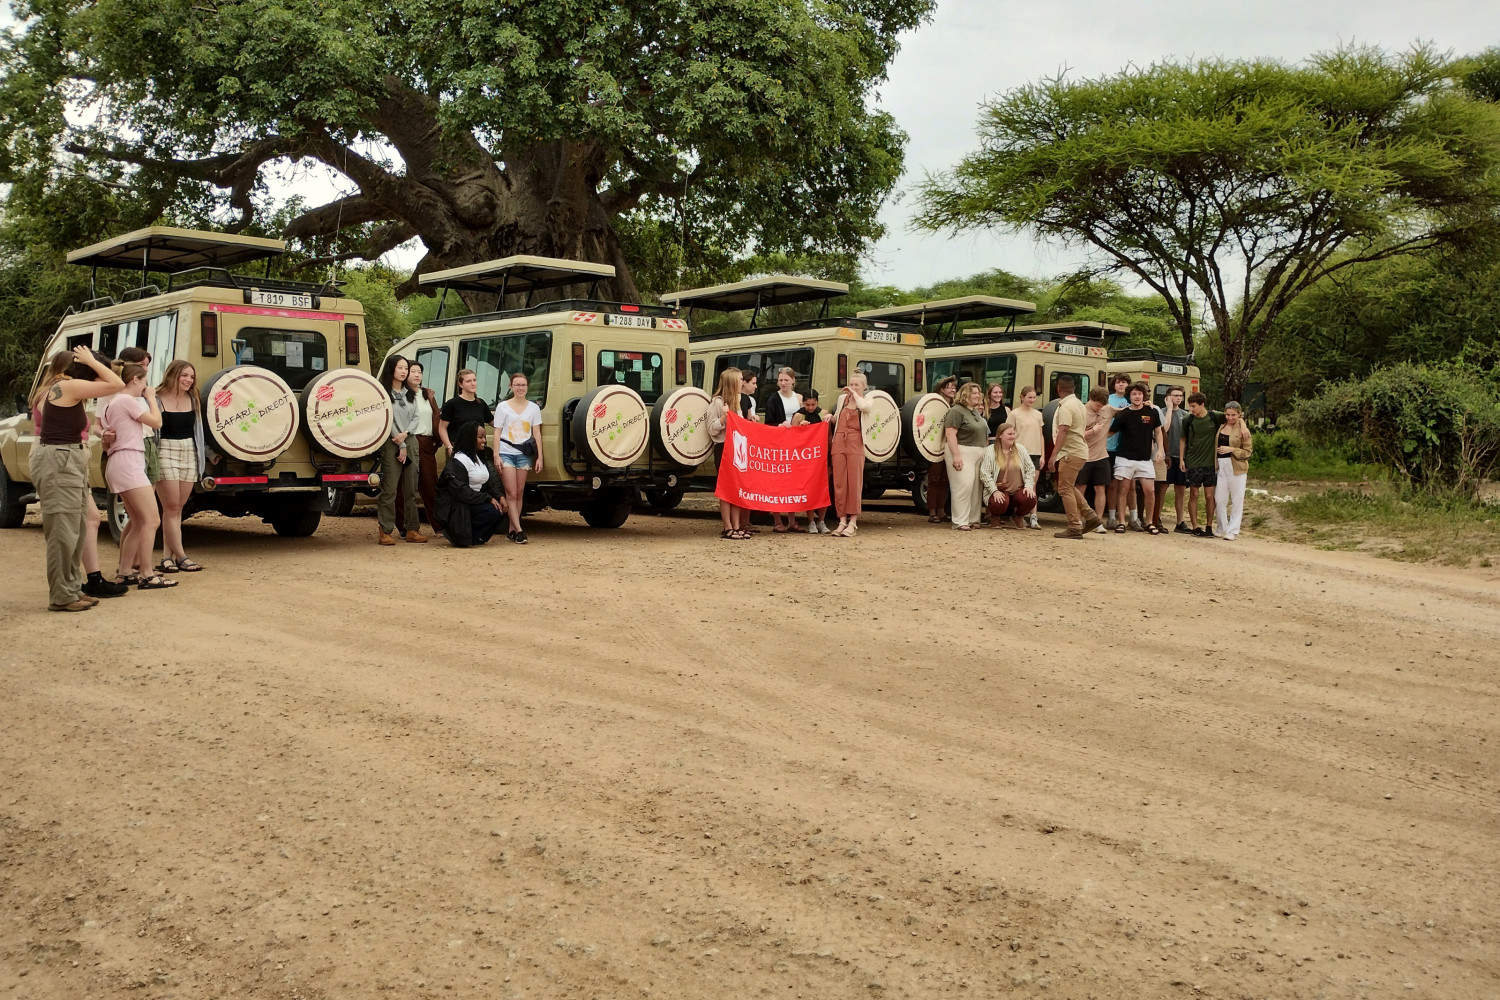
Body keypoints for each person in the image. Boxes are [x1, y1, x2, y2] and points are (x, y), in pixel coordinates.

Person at [30, 346, 124, 610]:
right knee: (63, 530)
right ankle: (61, 595)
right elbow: (115, 382)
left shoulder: (61, 387)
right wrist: (94, 362)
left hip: (66, 458)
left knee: (76, 528)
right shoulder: (67, 387)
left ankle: (71, 588)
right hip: (60, 459)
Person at [101, 361, 176, 589]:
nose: (146, 386)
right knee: (151, 520)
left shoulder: (112, 402)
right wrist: (151, 398)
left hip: (119, 461)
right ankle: (146, 573)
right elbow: (156, 422)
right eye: (145, 381)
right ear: (136, 379)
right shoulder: (126, 400)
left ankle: (125, 571)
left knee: (137, 521)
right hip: (129, 461)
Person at [153, 360, 205, 573]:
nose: (188, 380)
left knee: (176, 510)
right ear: (172, 375)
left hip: (189, 452)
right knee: (171, 507)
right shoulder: (156, 399)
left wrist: (207, 454)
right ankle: (182, 556)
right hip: (165, 451)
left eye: (191, 377)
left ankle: (167, 557)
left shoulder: (193, 399)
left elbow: (198, 431)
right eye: (184, 375)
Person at [376, 354, 426, 545]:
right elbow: (387, 419)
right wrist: (400, 442)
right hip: (391, 442)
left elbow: (416, 417)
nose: (404, 371)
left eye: (406, 368)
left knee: (411, 487)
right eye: (400, 368)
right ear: (392, 369)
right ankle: (385, 530)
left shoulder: (411, 393)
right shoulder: (382, 393)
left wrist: (406, 435)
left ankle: (412, 529)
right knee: (390, 488)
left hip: (409, 440)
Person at [1046, 375, 1103, 540]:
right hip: (1080, 451)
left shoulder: (1065, 406)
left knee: (1064, 489)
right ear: (1074, 388)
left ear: (1058, 388)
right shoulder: (1078, 404)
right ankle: (1090, 516)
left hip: (1070, 452)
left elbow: (1063, 430)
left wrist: (1054, 454)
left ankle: (1074, 525)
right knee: (1069, 486)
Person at [434, 420, 507, 547]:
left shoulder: (478, 457)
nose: (484, 440)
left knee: (501, 510)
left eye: (484, 437)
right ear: (470, 438)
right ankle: (461, 535)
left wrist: (500, 496)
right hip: (458, 506)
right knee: (492, 511)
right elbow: (460, 491)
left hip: (473, 501)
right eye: (480, 437)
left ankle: (475, 537)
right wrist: (488, 498)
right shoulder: (458, 461)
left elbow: (488, 483)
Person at [1108, 381, 1166, 534]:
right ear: (1129, 396)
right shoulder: (1124, 413)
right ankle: (1121, 522)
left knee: (1150, 491)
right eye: (1134, 394)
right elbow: (1111, 432)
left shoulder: (1152, 411)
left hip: (1145, 459)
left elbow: (1158, 432)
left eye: (1139, 394)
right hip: (1125, 457)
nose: (1137, 396)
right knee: (1124, 490)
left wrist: (1160, 450)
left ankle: (1149, 522)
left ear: (1144, 395)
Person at [494, 371, 543, 544]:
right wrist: (496, 455)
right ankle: (520, 530)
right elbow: (497, 432)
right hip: (506, 452)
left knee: (520, 492)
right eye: (517, 385)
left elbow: (536, 433)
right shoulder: (503, 407)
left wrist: (540, 457)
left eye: (523, 385)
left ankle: (512, 529)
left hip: (524, 454)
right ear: (511, 387)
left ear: (527, 387)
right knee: (511, 492)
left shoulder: (534, 408)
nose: (520, 388)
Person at [396, 360, 443, 536]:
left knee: (430, 485)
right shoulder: (400, 395)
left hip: (426, 443)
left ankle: (439, 526)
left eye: (419, 372)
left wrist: (437, 441)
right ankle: (403, 526)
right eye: (412, 371)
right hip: (407, 441)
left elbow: (436, 418)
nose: (416, 375)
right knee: (405, 486)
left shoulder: (427, 394)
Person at [707, 367, 750, 539]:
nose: (742, 382)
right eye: (740, 379)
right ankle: (728, 526)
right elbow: (711, 428)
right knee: (726, 488)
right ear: (732, 382)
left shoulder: (737, 402)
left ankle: (737, 525)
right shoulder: (717, 403)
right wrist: (724, 419)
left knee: (736, 487)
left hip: (737, 447)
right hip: (723, 447)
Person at [830, 370, 873, 537]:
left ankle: (853, 522)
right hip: (840, 440)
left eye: (856, 384)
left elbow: (864, 407)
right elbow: (837, 418)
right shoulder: (842, 399)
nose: (852, 387)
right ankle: (841, 520)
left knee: (854, 481)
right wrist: (829, 417)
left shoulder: (867, 399)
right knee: (839, 481)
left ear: (863, 386)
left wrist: (855, 394)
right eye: (851, 383)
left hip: (856, 442)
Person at [942, 382, 989, 531]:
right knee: (963, 486)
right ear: (965, 394)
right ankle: (960, 521)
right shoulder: (956, 411)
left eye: (978, 393)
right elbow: (950, 434)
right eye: (974, 393)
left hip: (978, 454)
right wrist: (956, 455)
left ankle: (973, 519)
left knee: (976, 488)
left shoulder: (975, 412)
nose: (977, 396)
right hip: (962, 451)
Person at [1179, 392, 1226, 537]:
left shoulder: (1215, 416)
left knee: (1209, 495)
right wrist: (1182, 459)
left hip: (1210, 463)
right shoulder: (1188, 420)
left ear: (1202, 405)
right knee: (1193, 493)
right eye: (1190, 406)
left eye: (1193, 406)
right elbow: (1183, 439)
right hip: (1193, 462)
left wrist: (1243, 427)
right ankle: (1195, 526)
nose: (1191, 409)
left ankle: (1209, 525)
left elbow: (1235, 417)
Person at [763, 366, 803, 533]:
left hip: (795, 445)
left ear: (793, 381)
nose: (783, 383)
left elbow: (810, 412)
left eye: (786, 380)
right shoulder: (773, 398)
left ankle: (792, 520)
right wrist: (779, 425)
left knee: (793, 482)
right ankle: (778, 519)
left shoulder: (799, 398)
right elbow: (768, 423)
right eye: (780, 380)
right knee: (778, 482)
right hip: (778, 445)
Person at [979, 422, 1038, 529]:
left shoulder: (1021, 449)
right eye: (1009, 434)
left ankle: (1018, 516)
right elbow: (985, 473)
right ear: (1000, 435)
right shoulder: (990, 451)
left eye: (1013, 434)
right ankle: (995, 517)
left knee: (1030, 498)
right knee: (999, 502)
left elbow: (1030, 469)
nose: (1012, 436)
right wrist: (994, 490)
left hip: (1018, 489)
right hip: (999, 488)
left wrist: (1029, 486)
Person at [1214, 401, 1254, 540]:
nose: (1230, 418)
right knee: (1219, 499)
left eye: (1234, 415)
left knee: (1237, 500)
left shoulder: (1243, 430)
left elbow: (1248, 452)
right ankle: (1221, 526)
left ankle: (1233, 530)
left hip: (1237, 467)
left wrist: (1232, 450)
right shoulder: (1221, 425)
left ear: (1239, 415)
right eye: (1228, 414)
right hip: (1221, 466)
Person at [790, 389, 828, 533]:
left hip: (820, 457)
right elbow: (792, 438)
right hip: (805, 459)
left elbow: (828, 435)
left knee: (822, 489)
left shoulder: (823, 414)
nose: (811, 408)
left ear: (817, 402)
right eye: (807, 404)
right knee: (809, 489)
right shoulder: (799, 415)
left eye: (813, 404)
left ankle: (822, 521)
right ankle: (811, 521)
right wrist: (801, 429)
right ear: (803, 403)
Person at [1079, 387, 1116, 533]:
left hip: (1101, 456)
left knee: (1100, 488)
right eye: (1097, 405)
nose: (1099, 408)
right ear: (1090, 399)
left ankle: (1097, 521)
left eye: (1102, 406)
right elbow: (1075, 434)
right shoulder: (1081, 412)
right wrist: (1092, 431)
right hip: (1083, 456)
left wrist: (1147, 404)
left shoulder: (1107, 409)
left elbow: (1127, 409)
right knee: (1080, 489)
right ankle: (1080, 519)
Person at [1010, 386, 1045, 528]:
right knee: (1019, 484)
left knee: (1033, 484)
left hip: (1035, 452)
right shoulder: (1014, 414)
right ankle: (1019, 514)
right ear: (1022, 397)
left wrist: (1043, 454)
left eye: (1033, 397)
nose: (1032, 400)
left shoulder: (1038, 414)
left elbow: (1041, 434)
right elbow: (1009, 434)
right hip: (1019, 452)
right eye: (1029, 397)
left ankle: (1034, 516)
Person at [925, 375, 958, 524]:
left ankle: (941, 510)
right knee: (935, 477)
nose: (952, 389)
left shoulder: (955, 407)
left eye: (954, 387)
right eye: (949, 386)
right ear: (942, 389)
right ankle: (932, 510)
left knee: (945, 479)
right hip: (935, 446)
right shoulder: (934, 405)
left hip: (949, 445)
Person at [1157, 386, 1190, 533]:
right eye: (1175, 395)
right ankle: (1157, 517)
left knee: (1180, 489)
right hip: (1166, 456)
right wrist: (1169, 409)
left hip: (1180, 457)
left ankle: (1180, 521)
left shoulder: (1185, 414)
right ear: (1168, 397)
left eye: (1180, 396)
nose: (1178, 398)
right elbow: (1165, 428)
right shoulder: (1162, 412)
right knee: (1162, 488)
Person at [1104, 373, 1134, 530]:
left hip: (1126, 447)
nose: (1121, 385)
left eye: (1124, 382)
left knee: (1129, 485)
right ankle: (1111, 516)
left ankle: (1133, 517)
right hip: (1108, 446)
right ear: (1114, 385)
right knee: (1112, 484)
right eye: (1119, 382)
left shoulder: (1132, 400)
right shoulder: (1108, 400)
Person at [439, 368, 494, 452]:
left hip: (478, 449)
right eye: (468, 381)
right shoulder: (451, 404)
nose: (473, 383)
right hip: (458, 449)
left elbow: (495, 423)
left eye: (474, 380)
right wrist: (449, 447)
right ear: (461, 384)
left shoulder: (481, 403)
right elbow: (442, 428)